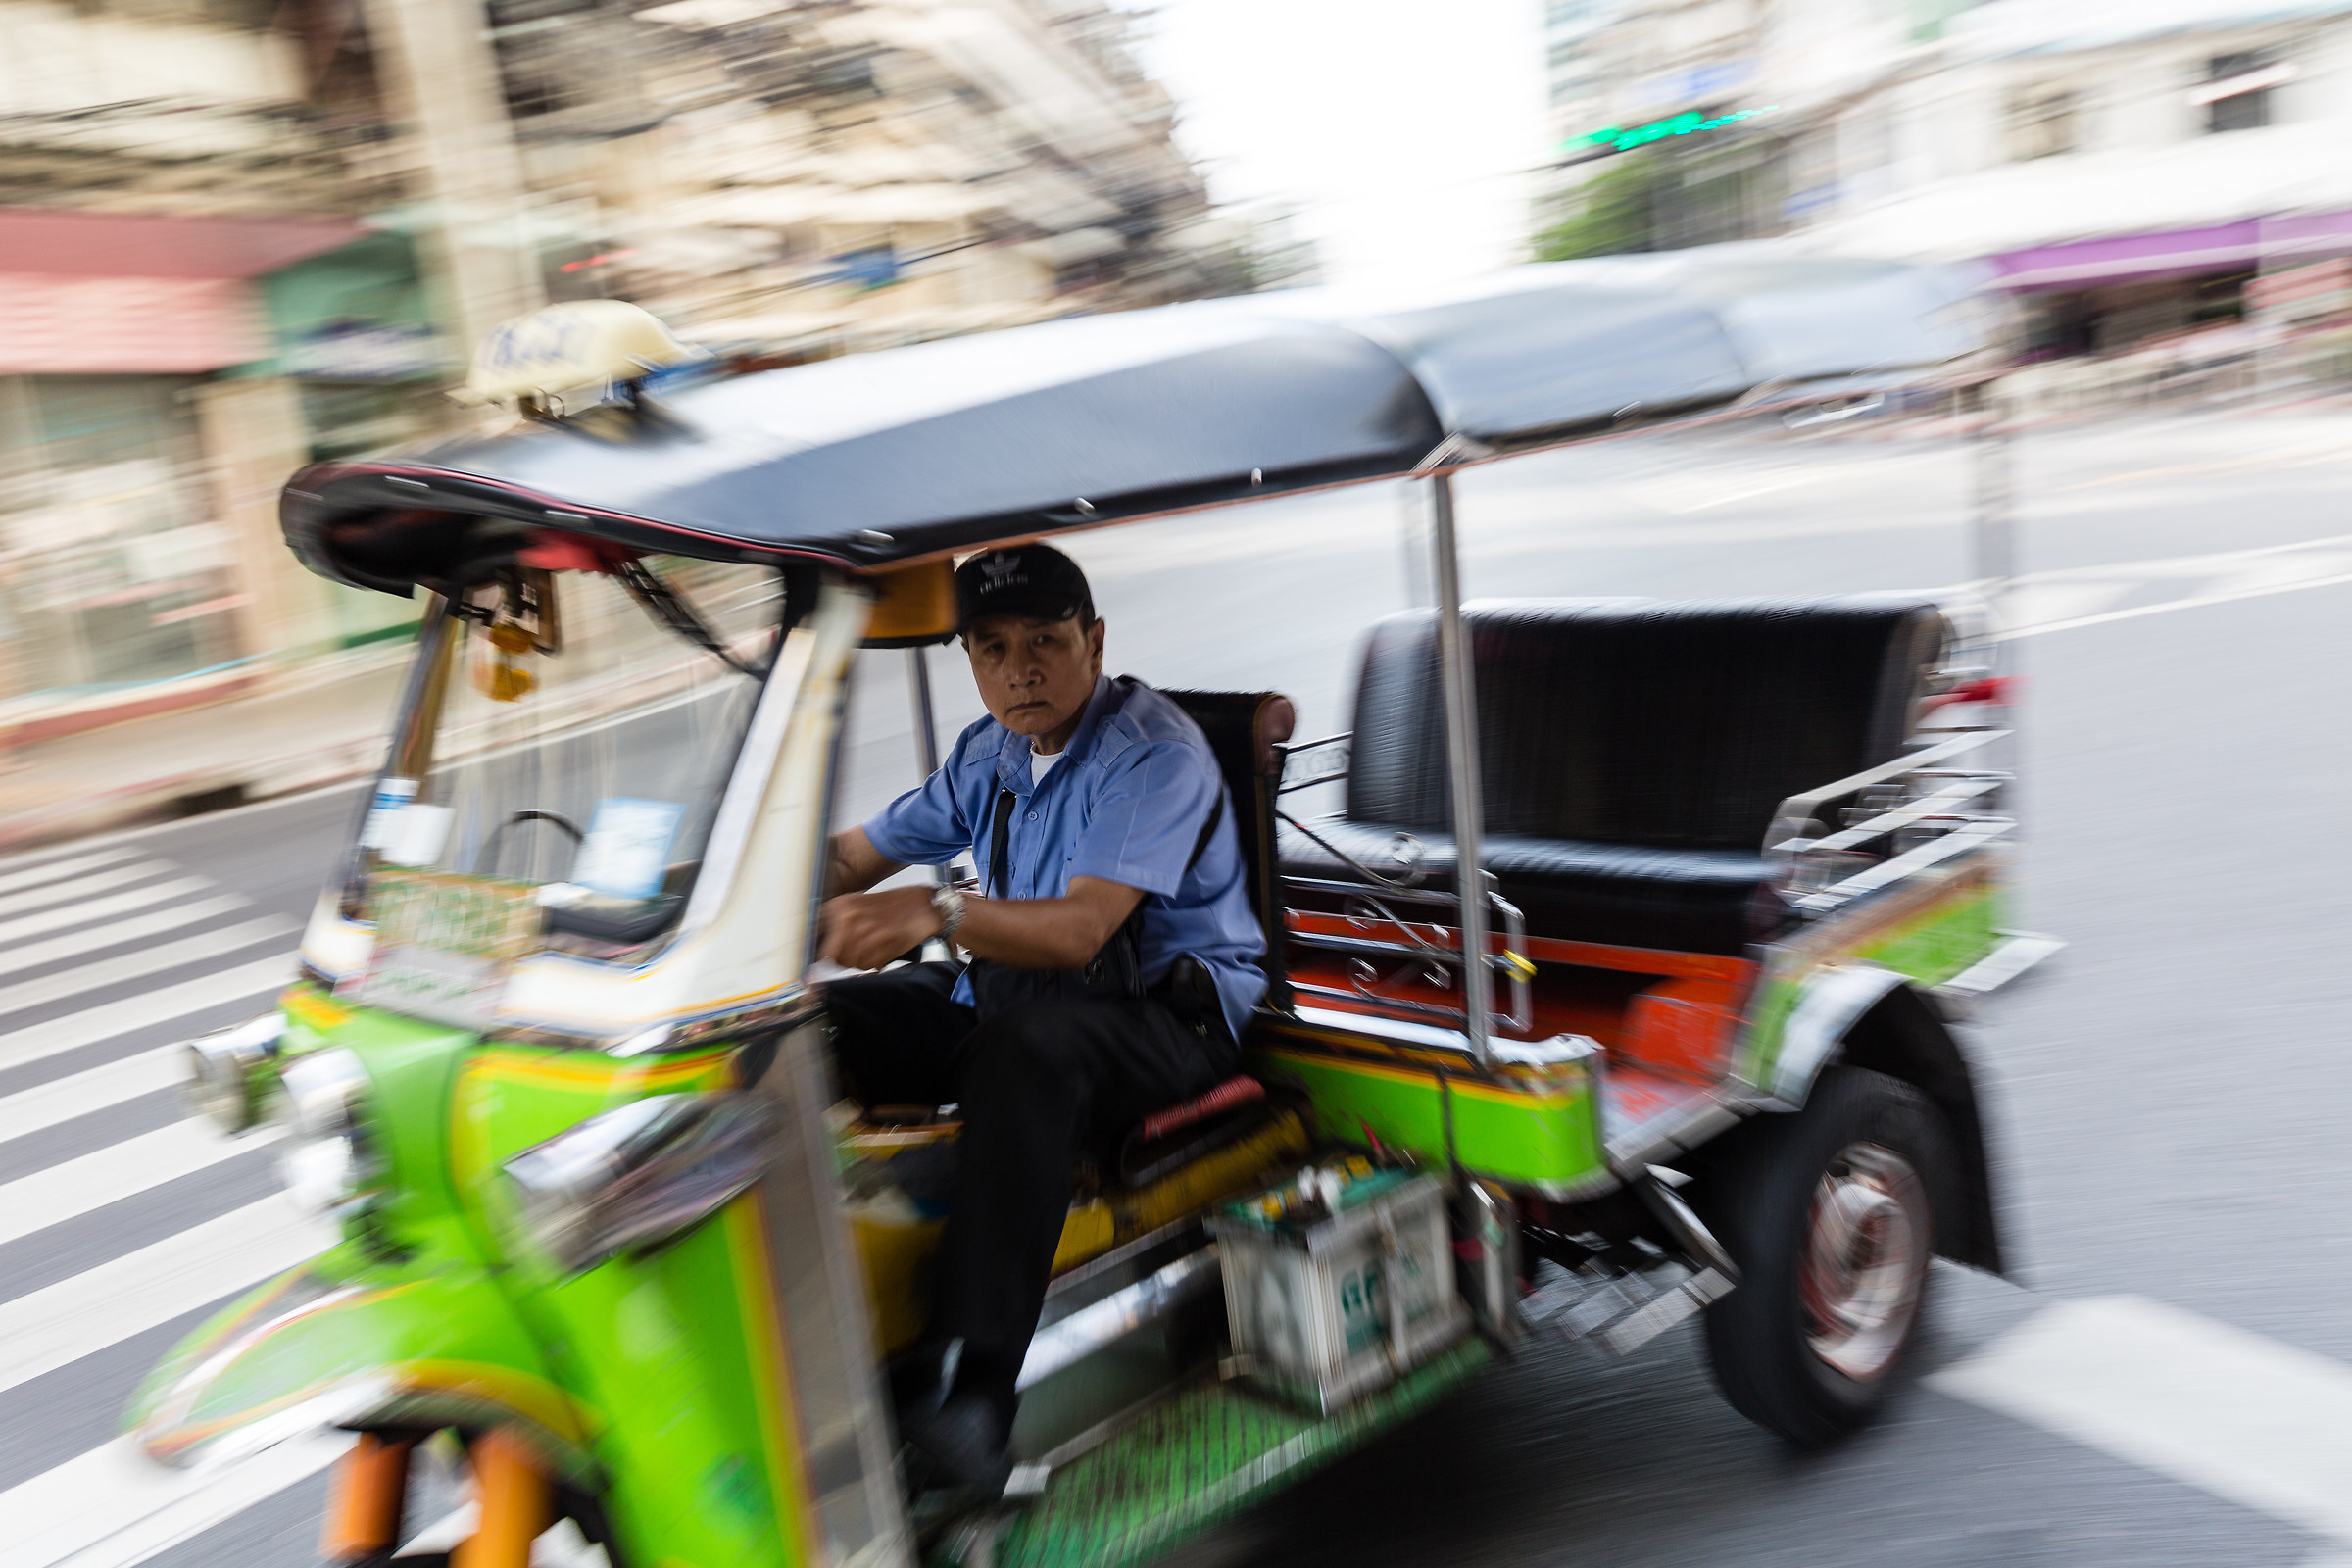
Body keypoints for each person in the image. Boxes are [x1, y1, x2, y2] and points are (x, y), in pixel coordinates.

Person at [816, 541, 1267, 1489]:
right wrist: (720, 893)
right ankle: (842, 1327)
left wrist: (930, 910)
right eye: (991, 648)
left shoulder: (1152, 756)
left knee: (1024, 1056)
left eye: (1044, 641)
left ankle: (976, 1394)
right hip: (1014, 998)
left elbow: (1079, 932)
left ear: (1093, 642)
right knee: (826, 1023)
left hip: (1164, 1023)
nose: (1019, 669)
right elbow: (858, 854)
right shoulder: (989, 751)